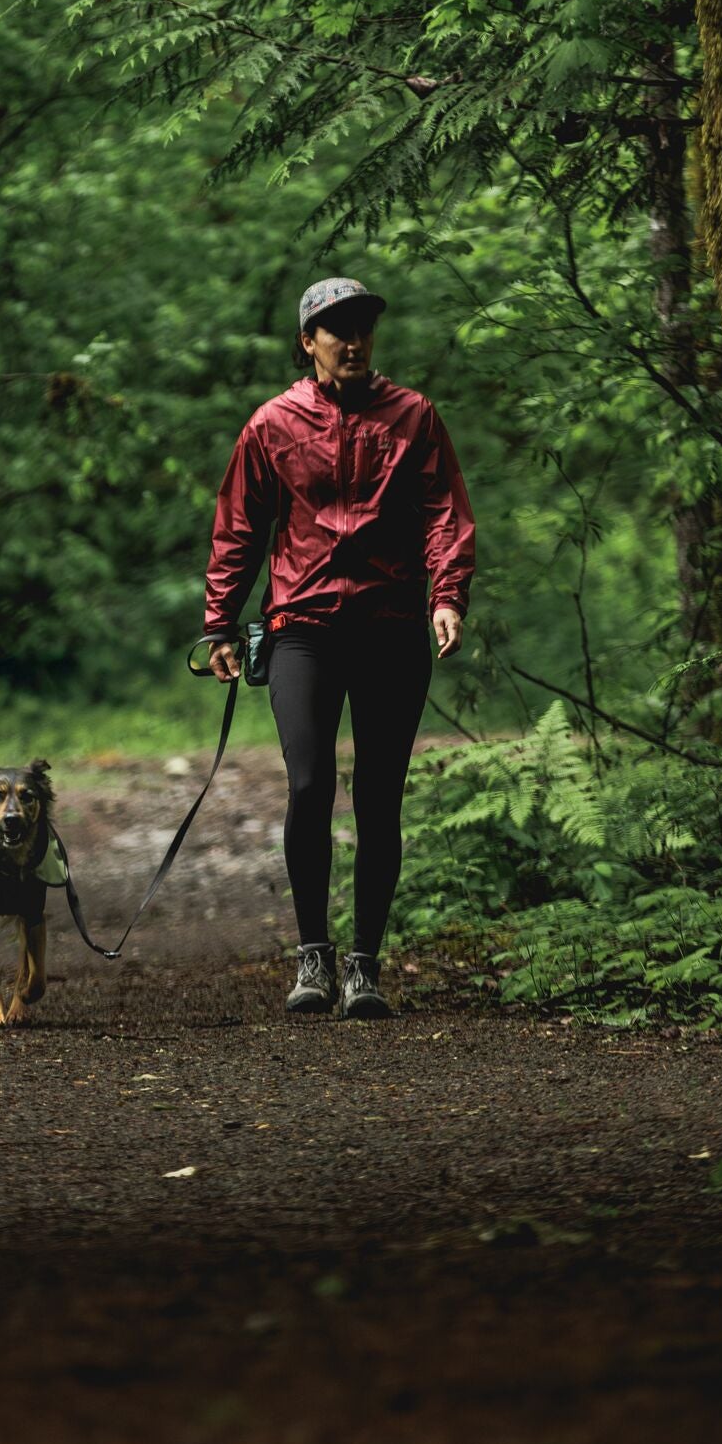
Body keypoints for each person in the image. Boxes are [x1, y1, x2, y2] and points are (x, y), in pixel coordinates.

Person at [203, 275, 476, 1019]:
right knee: (309, 784)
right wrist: (219, 621)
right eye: (335, 328)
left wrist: (447, 595)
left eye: (361, 326)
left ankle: (365, 965)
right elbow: (238, 529)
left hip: (390, 627)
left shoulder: (414, 415)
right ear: (308, 341)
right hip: (305, 630)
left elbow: (444, 510)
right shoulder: (271, 424)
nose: (351, 340)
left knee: (379, 795)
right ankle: (312, 954)